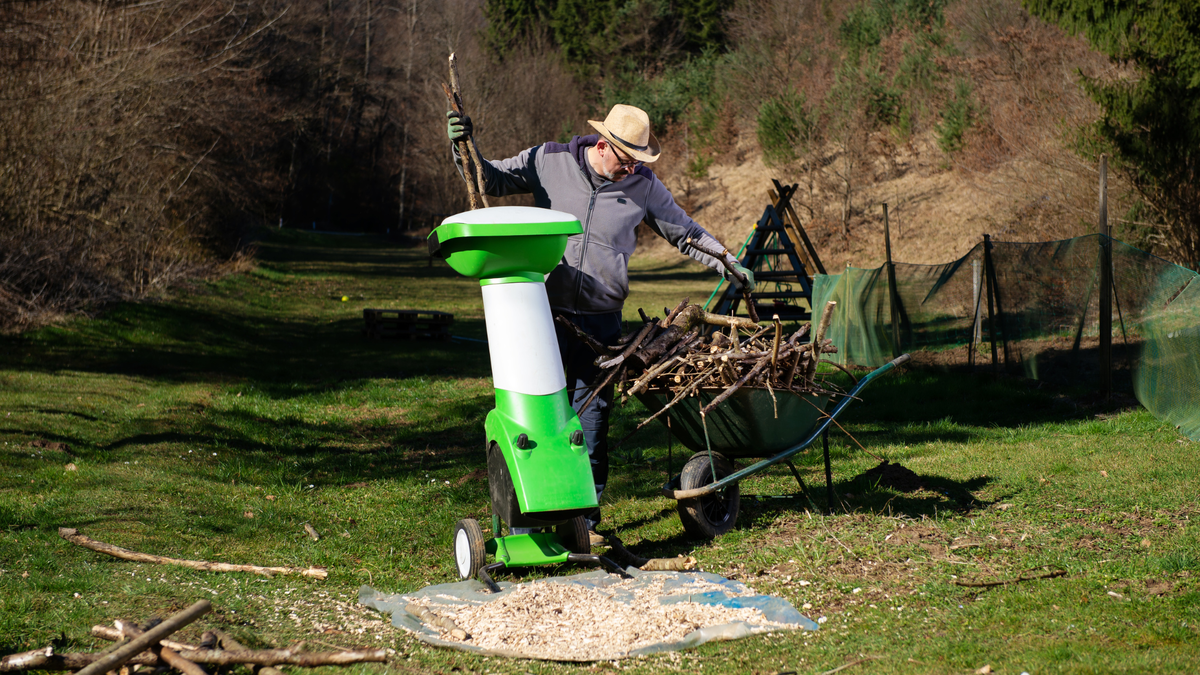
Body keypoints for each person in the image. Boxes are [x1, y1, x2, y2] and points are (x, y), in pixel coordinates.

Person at [447, 104, 755, 543]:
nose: (632, 167)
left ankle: (583, 524)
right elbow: (490, 179)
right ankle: (528, 515)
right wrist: (464, 148)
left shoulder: (643, 186)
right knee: (534, 419)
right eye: (627, 158)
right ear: (603, 144)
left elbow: (684, 232)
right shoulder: (548, 160)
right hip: (541, 317)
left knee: (591, 421)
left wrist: (729, 262)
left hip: (601, 323)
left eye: (638, 161)